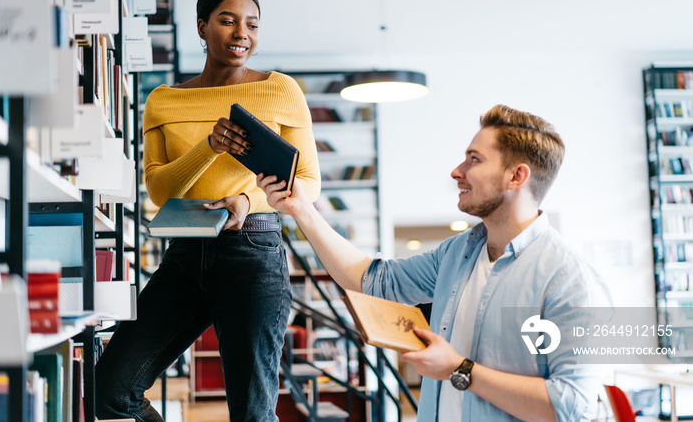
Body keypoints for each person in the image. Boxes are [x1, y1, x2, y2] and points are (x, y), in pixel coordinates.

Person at [258, 104, 610, 422]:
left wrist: (460, 370)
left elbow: (572, 406)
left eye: (474, 159)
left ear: (516, 177)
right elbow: (371, 280)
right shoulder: (458, 253)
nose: (457, 171)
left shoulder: (570, 279)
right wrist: (300, 209)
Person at [95, 0, 321, 422]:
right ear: (202, 27)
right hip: (184, 253)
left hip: (253, 253)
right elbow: (159, 190)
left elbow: (308, 182)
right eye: (227, 20)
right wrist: (209, 146)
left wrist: (245, 199)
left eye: (252, 24)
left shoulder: (282, 91)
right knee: (109, 389)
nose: (242, 33)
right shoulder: (163, 101)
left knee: (253, 415)